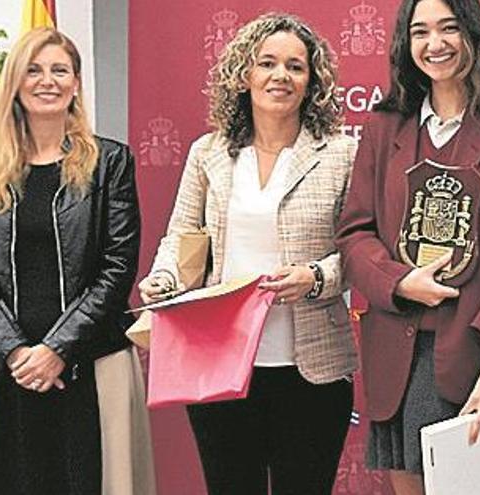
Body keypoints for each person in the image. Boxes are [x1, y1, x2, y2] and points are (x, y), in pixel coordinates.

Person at [334, 0, 480, 492]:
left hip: (477, 355)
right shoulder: (384, 126)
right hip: (397, 356)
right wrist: (399, 281)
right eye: (420, 32)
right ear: (405, 43)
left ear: (474, 33)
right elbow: (354, 234)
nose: (435, 44)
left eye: (449, 28)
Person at [138, 13, 356, 495]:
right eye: (267, 63)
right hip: (219, 361)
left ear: (312, 81)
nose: (281, 76)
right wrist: (165, 278)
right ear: (244, 75)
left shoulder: (341, 154)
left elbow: (360, 252)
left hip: (312, 369)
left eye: (296, 67)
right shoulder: (208, 153)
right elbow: (181, 236)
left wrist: (316, 277)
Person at [0, 28, 155, 495]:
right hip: (13, 368)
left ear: (75, 83)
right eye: (34, 69)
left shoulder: (109, 162)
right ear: (15, 82)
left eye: (59, 70)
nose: (47, 81)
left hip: (94, 362)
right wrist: (16, 350)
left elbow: (117, 265)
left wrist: (57, 350)